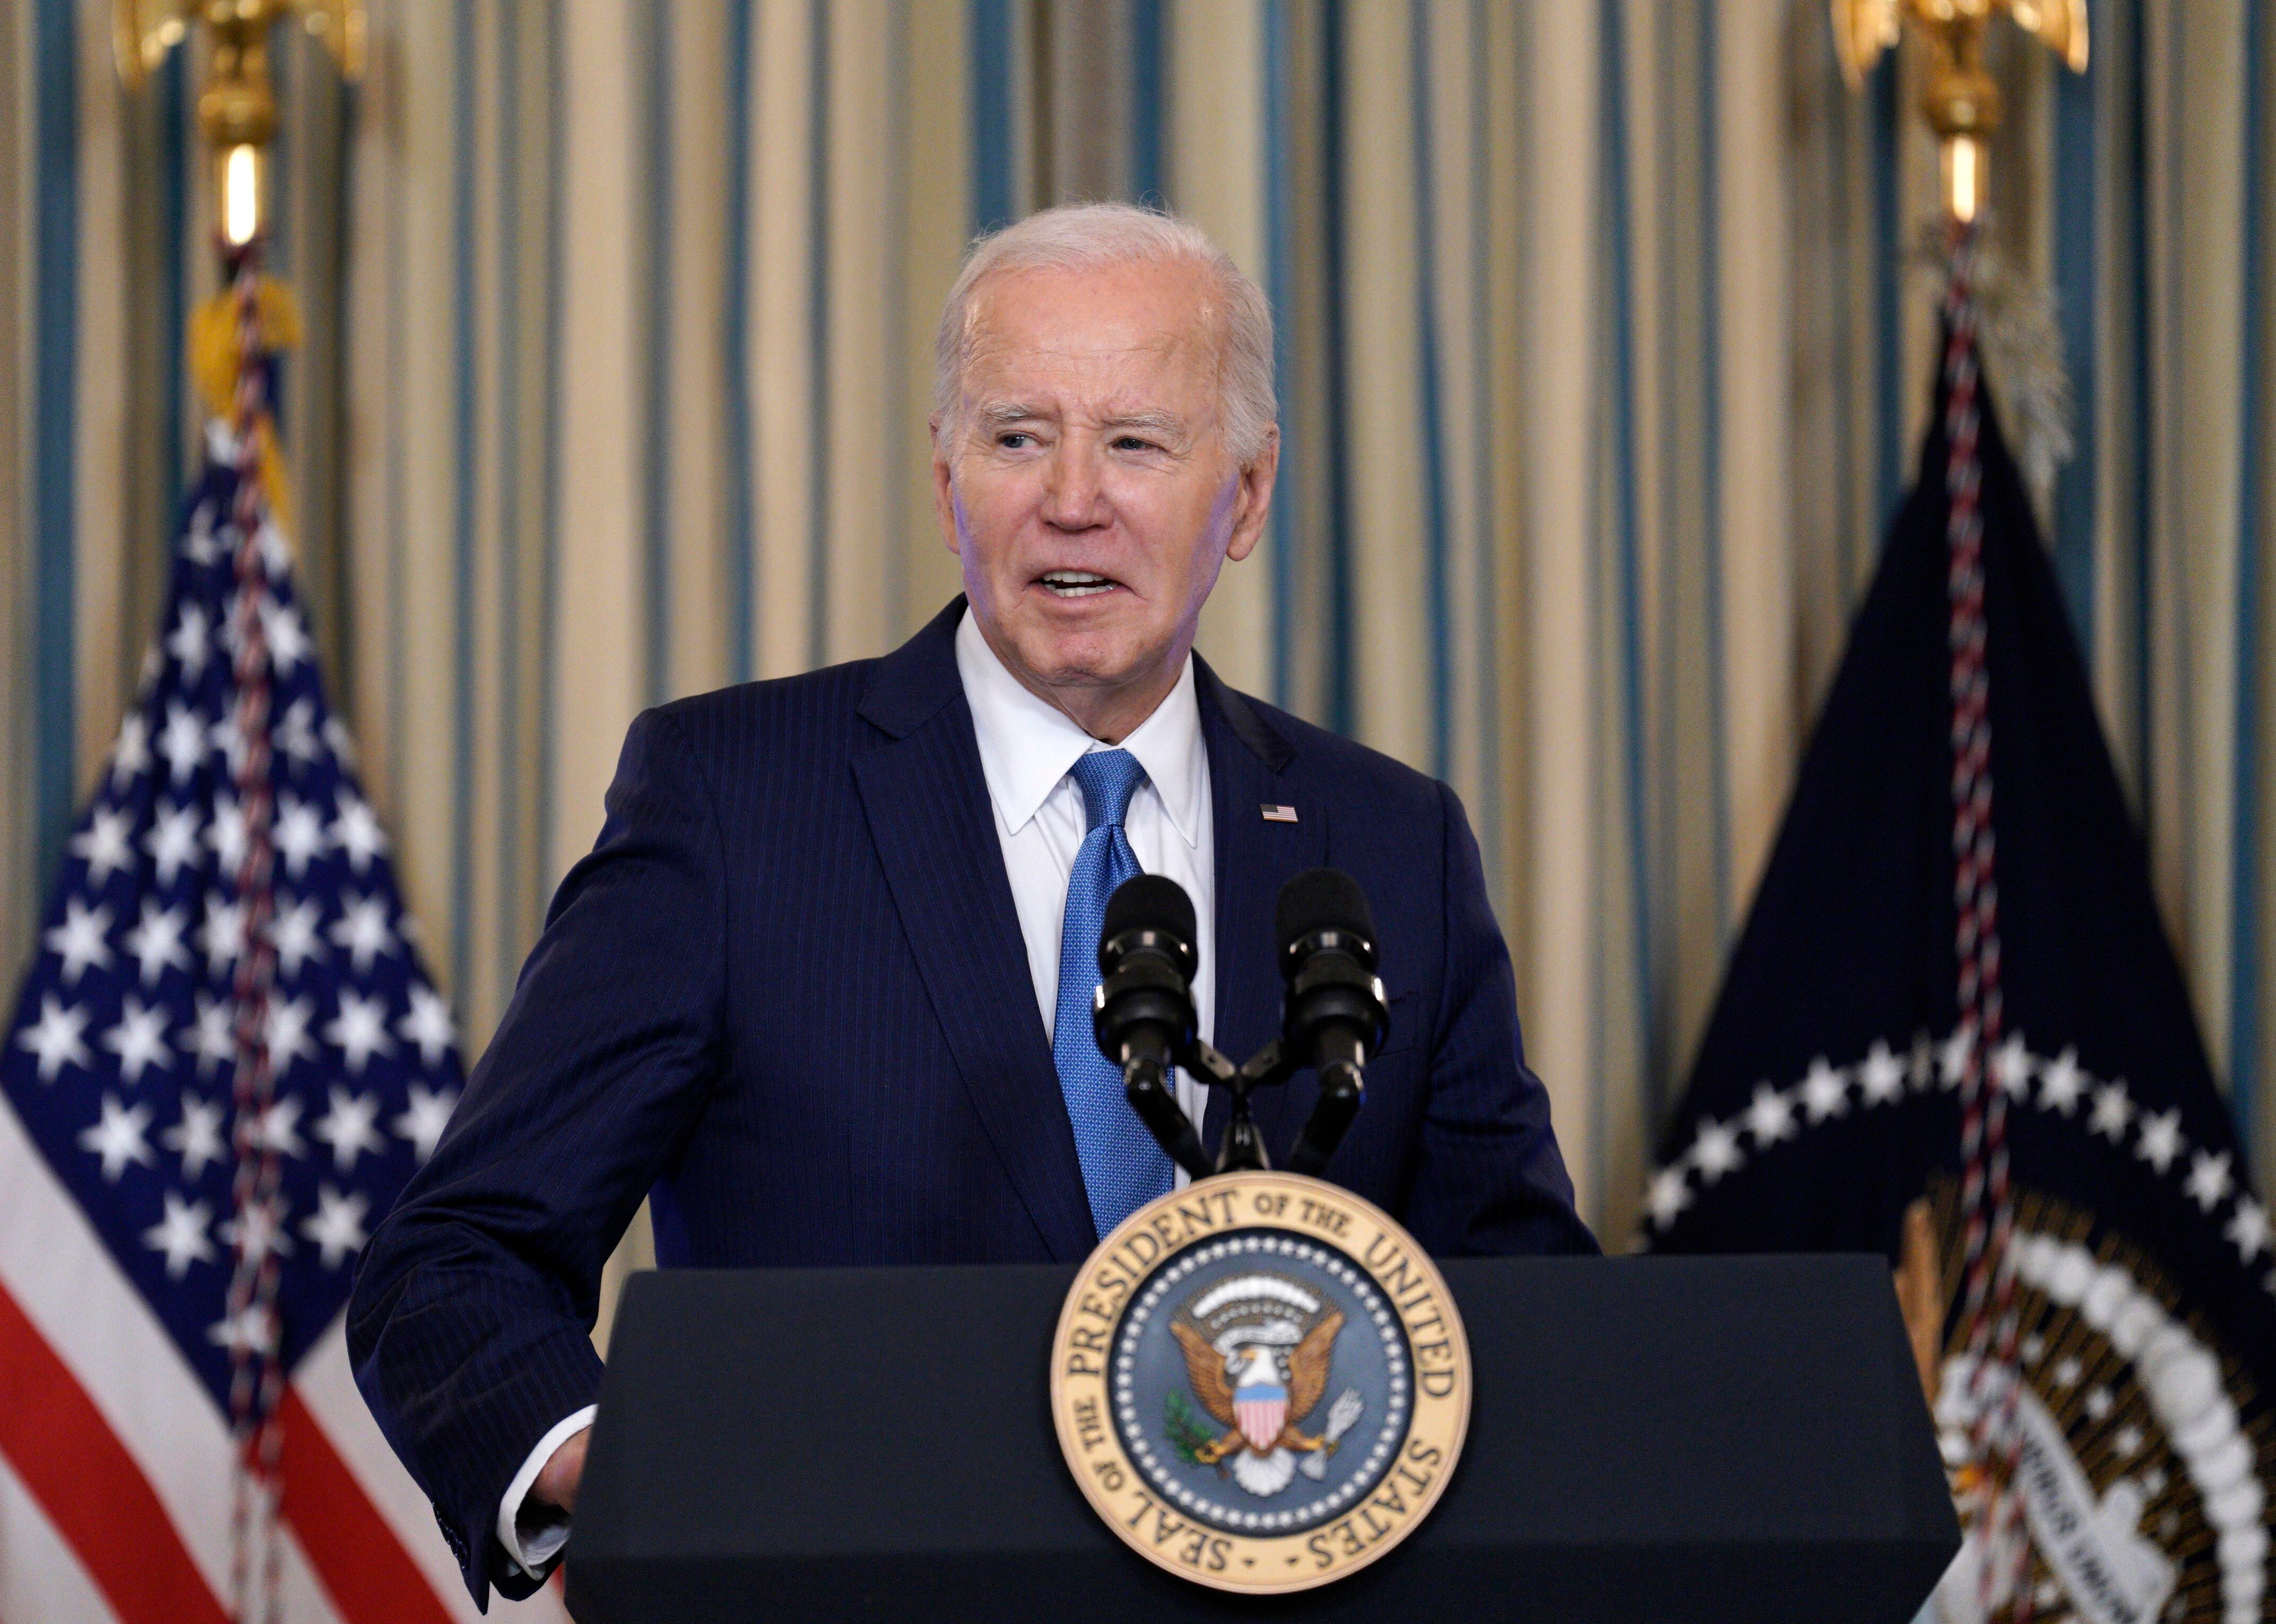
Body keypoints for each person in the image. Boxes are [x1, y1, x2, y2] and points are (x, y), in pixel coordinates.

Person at [348, 203, 1596, 1607]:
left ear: (1245, 496)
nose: (1074, 498)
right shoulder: (735, 803)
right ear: (947, 485)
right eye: (1017, 438)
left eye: (1136, 441)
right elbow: (457, 1260)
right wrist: (624, 1473)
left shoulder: (1386, 842)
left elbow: (1524, 1315)